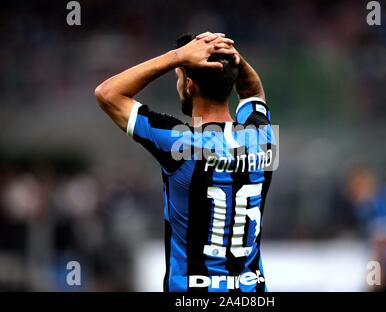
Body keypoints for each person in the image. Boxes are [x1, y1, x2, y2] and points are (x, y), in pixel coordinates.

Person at [95, 32, 275, 292]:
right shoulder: (264, 136)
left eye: (179, 78)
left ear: (190, 85)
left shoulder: (180, 143)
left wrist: (177, 57)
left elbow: (107, 93)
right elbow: (252, 90)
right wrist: (231, 58)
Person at [345, 165, 386, 292]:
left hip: (383, 264)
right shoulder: (373, 203)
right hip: (381, 262)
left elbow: (381, 241)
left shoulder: (378, 202)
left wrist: (375, 276)